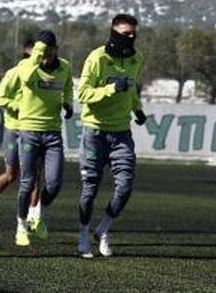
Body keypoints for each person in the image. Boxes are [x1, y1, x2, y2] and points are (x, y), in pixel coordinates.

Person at [76, 13, 147, 259]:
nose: (131, 37)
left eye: (134, 34)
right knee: (90, 189)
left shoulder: (137, 58)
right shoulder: (97, 58)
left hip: (122, 134)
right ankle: (83, 235)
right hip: (94, 133)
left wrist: (137, 108)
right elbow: (82, 94)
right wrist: (110, 89)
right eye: (126, 33)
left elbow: (131, 88)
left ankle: (103, 229)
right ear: (114, 33)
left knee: (125, 186)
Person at [0, 30, 73, 247]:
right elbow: (26, 78)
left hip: (53, 133)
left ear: (56, 49)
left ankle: (36, 214)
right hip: (29, 131)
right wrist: (37, 56)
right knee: (27, 182)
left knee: (54, 184)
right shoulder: (26, 66)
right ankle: (21, 226)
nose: (46, 56)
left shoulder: (65, 67)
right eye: (42, 51)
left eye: (50, 51)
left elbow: (68, 88)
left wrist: (68, 103)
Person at [0, 39, 41, 223]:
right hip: (14, 129)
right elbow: (0, 98)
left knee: (35, 175)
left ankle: (33, 216)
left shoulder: (43, 75)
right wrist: (19, 107)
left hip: (34, 129)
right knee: (12, 175)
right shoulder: (14, 73)